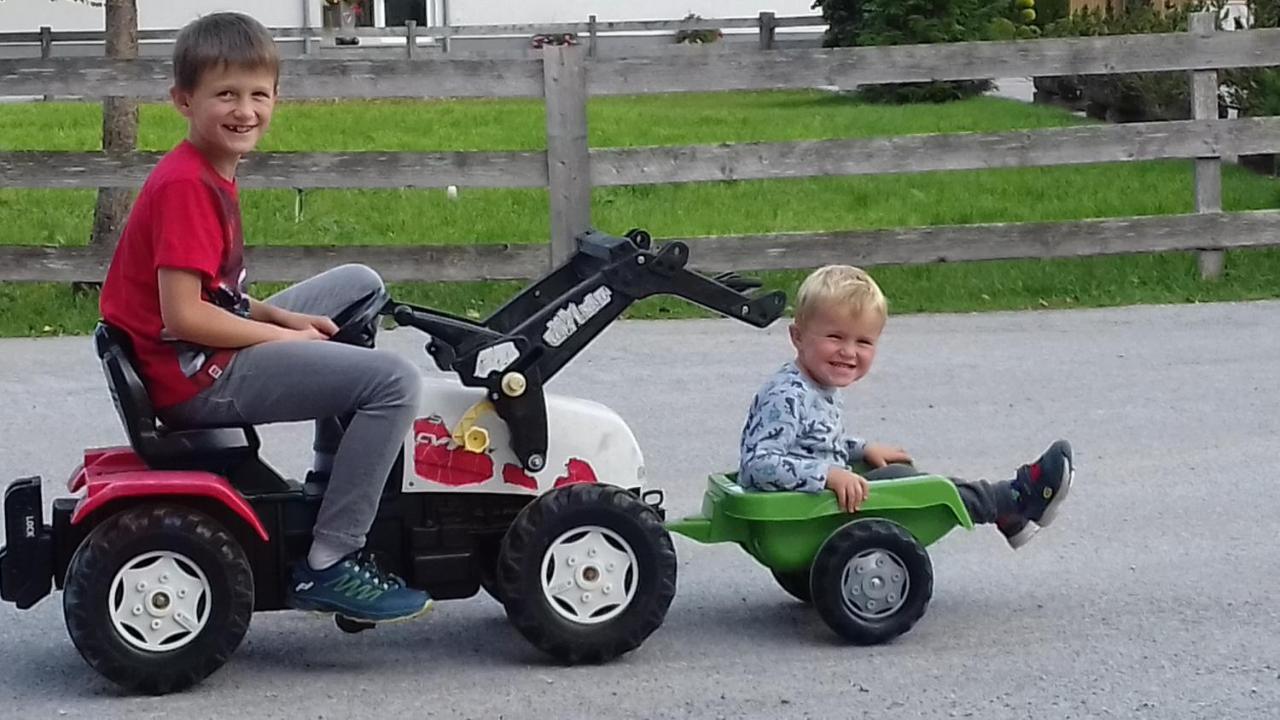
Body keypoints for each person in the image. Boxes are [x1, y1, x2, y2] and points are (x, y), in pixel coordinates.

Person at [98, 12, 432, 621]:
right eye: (225, 94)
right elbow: (186, 316)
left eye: (258, 94)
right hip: (197, 378)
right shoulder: (186, 188)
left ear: (277, 97)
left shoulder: (210, 171)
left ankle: (334, 470)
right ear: (183, 100)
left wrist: (277, 312)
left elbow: (215, 291)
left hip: (201, 351)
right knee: (394, 383)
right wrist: (283, 333)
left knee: (360, 286)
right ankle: (331, 559)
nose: (244, 110)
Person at [738, 265, 1074, 548]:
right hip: (802, 509)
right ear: (797, 336)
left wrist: (860, 449)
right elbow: (759, 464)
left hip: (812, 499)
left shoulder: (813, 383)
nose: (848, 352)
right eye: (835, 337)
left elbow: (812, 442)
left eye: (863, 341)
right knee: (918, 488)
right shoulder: (788, 395)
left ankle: (1006, 511)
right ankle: (1012, 500)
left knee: (904, 476)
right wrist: (827, 474)